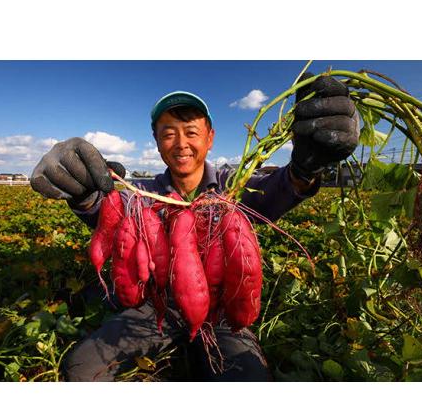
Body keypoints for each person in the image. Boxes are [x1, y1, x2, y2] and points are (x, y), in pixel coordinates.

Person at [30, 73, 360, 381]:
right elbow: (106, 216)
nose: (181, 143)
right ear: (157, 141)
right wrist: (84, 193)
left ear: (210, 138)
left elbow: (279, 189)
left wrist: (306, 167)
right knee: (82, 368)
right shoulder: (143, 194)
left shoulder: (235, 186)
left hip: (223, 312)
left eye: (191, 132)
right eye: (168, 133)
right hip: (153, 308)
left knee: (249, 380)